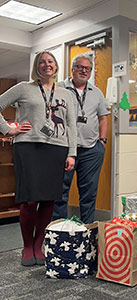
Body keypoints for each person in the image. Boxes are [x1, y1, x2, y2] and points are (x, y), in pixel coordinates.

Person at [0, 51, 77, 266]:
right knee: (29, 199)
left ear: (56, 65)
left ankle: (38, 244)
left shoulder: (66, 94)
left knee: (48, 199)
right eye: (42, 62)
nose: (46, 65)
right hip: (28, 147)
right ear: (37, 66)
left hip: (56, 149)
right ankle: (27, 246)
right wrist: (8, 130)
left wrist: (72, 153)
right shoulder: (24, 88)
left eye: (50, 61)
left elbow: (71, 125)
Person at [53, 53, 109, 224]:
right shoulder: (59, 88)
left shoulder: (96, 92)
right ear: (72, 69)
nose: (84, 71)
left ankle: (87, 230)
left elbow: (103, 117)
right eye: (80, 67)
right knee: (59, 192)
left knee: (89, 193)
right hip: (65, 149)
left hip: (91, 150)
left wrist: (102, 141)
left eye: (87, 68)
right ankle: (58, 230)